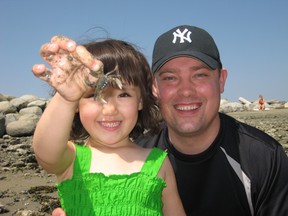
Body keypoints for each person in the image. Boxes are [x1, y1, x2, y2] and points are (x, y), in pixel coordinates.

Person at [48, 25, 288, 216]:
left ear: (221, 80)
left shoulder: (264, 158)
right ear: (153, 87)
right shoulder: (136, 154)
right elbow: (48, 152)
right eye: (170, 78)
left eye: (200, 75)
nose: (185, 91)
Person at [32, 37, 185, 216]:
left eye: (124, 95)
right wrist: (66, 98)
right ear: (76, 105)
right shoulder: (71, 160)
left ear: (141, 100)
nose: (110, 109)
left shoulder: (158, 162)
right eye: (94, 95)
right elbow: (45, 151)